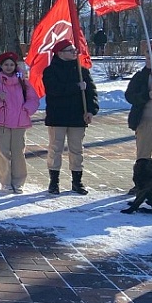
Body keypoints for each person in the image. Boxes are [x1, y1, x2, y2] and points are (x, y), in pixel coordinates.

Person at [43, 40, 99, 195]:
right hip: (58, 116)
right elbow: (54, 90)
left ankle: (77, 181)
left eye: (74, 50)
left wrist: (91, 110)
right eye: (70, 50)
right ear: (60, 53)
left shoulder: (82, 71)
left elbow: (91, 93)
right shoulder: (50, 71)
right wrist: (76, 87)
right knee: (56, 149)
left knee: (77, 150)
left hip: (77, 116)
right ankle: (54, 182)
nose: (74, 52)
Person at [0, 52, 40, 194]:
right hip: (1, 123)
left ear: (15, 66)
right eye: (5, 65)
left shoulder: (23, 82)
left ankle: (18, 182)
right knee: (3, 153)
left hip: (19, 122)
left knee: (18, 153)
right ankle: (5, 182)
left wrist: (26, 109)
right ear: (1, 66)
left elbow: (33, 99)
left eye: (11, 65)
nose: (8, 67)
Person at [125, 45, 152, 195]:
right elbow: (130, 96)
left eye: (151, 58)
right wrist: (146, 96)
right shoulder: (141, 76)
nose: (149, 61)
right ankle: (140, 184)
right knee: (143, 155)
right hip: (145, 121)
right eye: (147, 58)